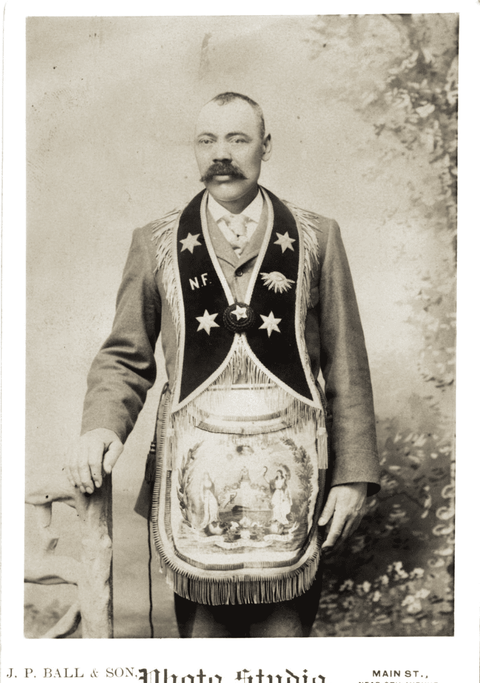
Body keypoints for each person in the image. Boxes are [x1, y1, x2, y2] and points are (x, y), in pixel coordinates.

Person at [66, 92, 380, 638]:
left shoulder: (317, 237)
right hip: (196, 491)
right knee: (205, 656)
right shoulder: (156, 242)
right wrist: (100, 425)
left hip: (293, 495)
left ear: (266, 147)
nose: (222, 154)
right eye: (207, 140)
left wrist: (354, 477)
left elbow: (346, 366)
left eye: (238, 139)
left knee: (283, 657)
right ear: (195, 150)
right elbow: (125, 355)